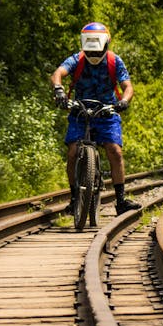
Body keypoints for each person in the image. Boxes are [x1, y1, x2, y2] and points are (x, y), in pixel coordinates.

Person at [51, 22, 142, 216]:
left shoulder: (114, 61)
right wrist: (59, 90)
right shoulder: (77, 59)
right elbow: (58, 73)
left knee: (115, 151)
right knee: (73, 152)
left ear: (105, 45)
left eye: (96, 51)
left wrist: (124, 101)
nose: (93, 55)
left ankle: (120, 200)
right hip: (80, 111)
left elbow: (128, 86)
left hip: (107, 112)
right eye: (89, 51)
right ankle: (75, 198)